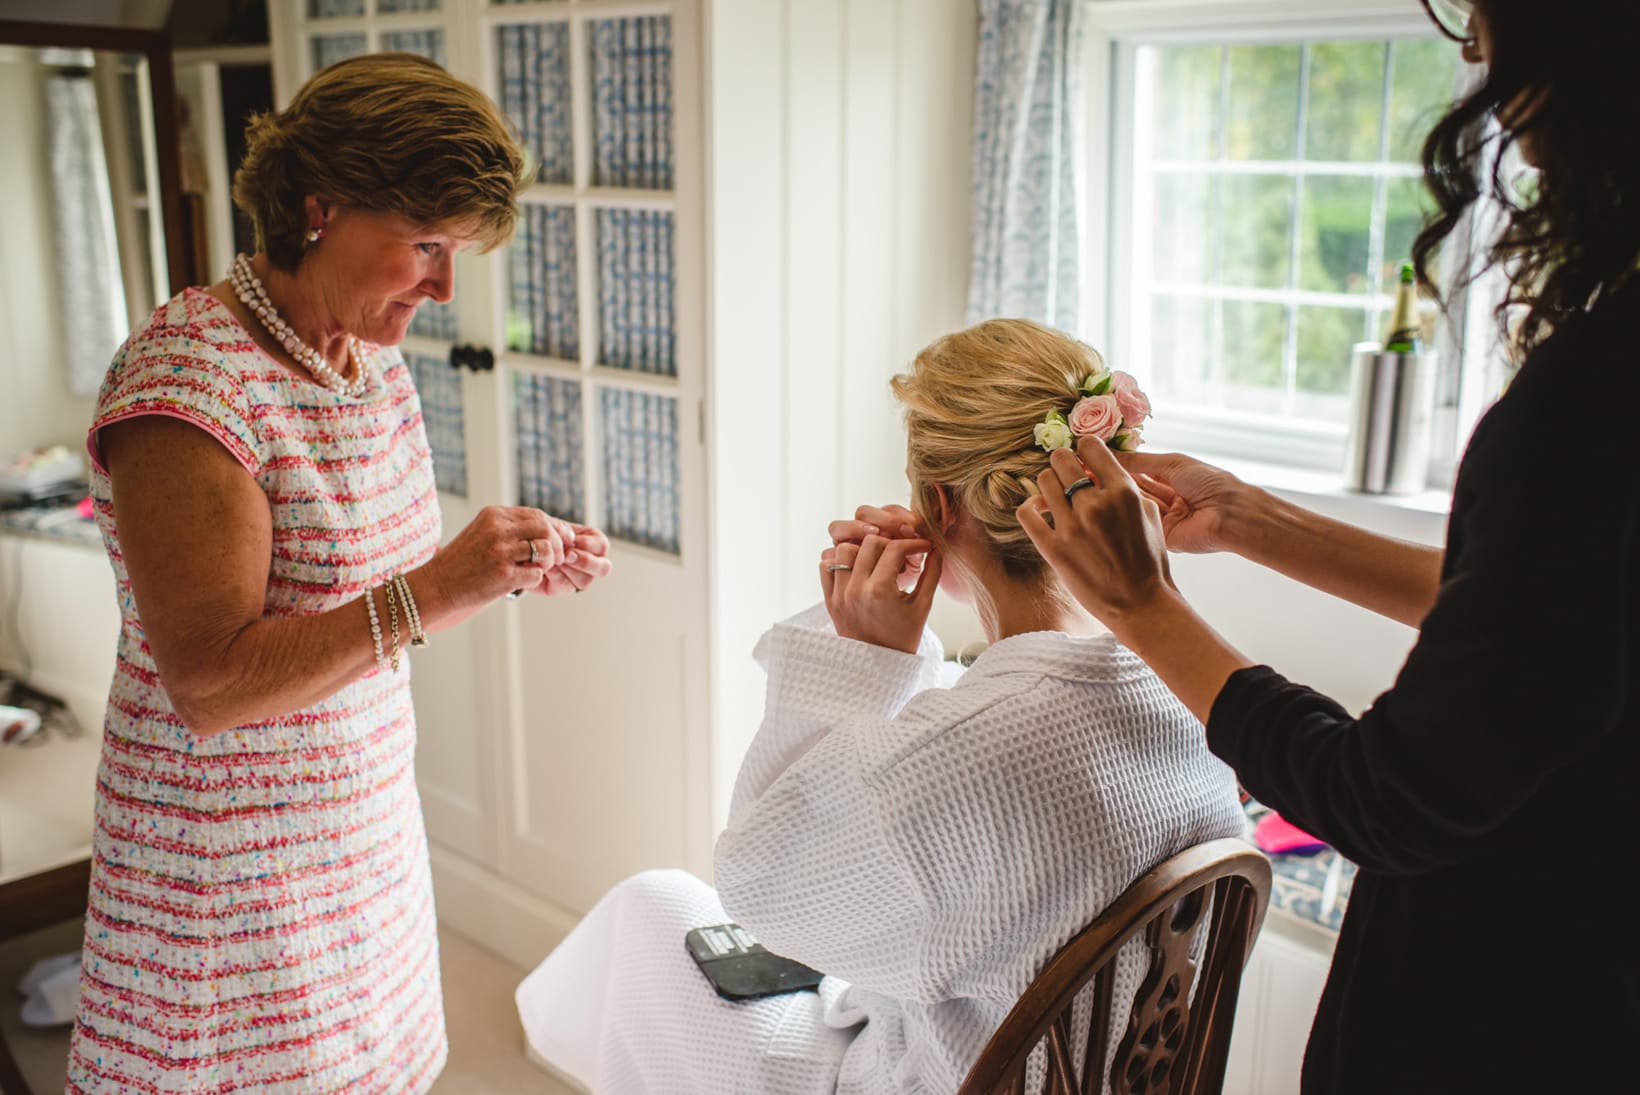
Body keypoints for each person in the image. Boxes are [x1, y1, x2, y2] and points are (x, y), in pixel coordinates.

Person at [1016, 1, 1640, 1091]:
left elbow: (1389, 797)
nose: (1474, 49)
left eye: (1483, 15)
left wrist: (1144, 607)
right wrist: (1248, 517)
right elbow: (1549, 615)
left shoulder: (1593, 402)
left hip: (1522, 1013)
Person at [513, 318, 1246, 1094]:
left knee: (653, 909)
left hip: (936, 1081)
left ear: (939, 505)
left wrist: (863, 664)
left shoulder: (958, 751)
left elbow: (761, 888)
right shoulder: (1191, 691)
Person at [66, 53, 612, 1093]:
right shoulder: (189, 386)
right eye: (424, 245)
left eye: (454, 251)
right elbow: (212, 683)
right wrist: (441, 588)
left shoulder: (370, 363)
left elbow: (366, 586)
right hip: (230, 876)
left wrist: (502, 563)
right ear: (318, 207)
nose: (445, 287)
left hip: (359, 830)